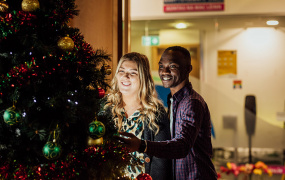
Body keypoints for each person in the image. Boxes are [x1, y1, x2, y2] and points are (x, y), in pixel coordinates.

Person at [116, 46, 217, 180]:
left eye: (172, 66)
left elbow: (182, 146)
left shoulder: (191, 102)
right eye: (161, 66)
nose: (164, 71)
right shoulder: (173, 100)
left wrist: (142, 145)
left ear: (188, 69)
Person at [105, 52, 172, 180]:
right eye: (121, 71)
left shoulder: (155, 112)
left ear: (143, 77)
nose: (125, 76)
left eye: (133, 73)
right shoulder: (106, 107)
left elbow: (161, 161)